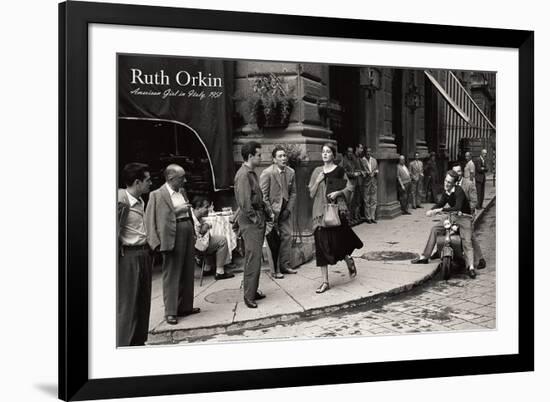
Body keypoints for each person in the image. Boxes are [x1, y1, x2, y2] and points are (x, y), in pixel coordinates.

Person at [145, 164, 200, 325]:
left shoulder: (182, 192)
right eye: (181, 177)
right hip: (171, 234)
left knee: (187, 270)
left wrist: (194, 230)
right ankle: (170, 311)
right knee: (172, 273)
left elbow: (188, 212)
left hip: (186, 230)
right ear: (171, 178)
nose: (185, 180)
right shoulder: (157, 195)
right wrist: (155, 243)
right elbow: (149, 220)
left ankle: (185, 306)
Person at [308, 143, 364, 294]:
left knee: (337, 243)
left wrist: (338, 193)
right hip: (320, 213)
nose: (325, 154)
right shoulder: (316, 171)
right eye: (323, 152)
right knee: (321, 247)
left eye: (328, 152)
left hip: (335, 212)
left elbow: (349, 188)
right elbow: (311, 193)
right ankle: (325, 282)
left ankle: (347, 258)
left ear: (333, 155)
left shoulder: (339, 171)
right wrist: (319, 180)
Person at [411, 169, 477, 279]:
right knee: (435, 229)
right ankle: (425, 256)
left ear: (454, 183)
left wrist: (440, 209)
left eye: (449, 182)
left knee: (467, 241)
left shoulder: (459, 191)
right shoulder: (446, 192)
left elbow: (457, 207)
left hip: (464, 217)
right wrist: (432, 210)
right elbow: (440, 203)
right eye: (446, 181)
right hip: (452, 216)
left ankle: (470, 267)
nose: (446, 184)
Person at [117, 163, 153, 346]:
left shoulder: (140, 201)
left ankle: (139, 341)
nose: (151, 183)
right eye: (148, 180)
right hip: (129, 256)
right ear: (137, 182)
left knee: (143, 302)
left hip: (143, 253)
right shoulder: (120, 201)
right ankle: (124, 344)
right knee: (128, 304)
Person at [234, 141, 272, 308]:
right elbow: (244, 202)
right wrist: (255, 219)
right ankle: (249, 295)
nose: (260, 157)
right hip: (251, 221)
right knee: (252, 258)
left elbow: (257, 197)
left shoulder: (250, 173)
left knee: (255, 258)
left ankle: (253, 290)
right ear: (250, 156)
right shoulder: (243, 175)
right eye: (258, 154)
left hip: (256, 217)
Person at [260, 145, 298, 279]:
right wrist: (269, 213)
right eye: (280, 156)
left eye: (284, 156)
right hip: (272, 211)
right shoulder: (267, 173)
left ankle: (285, 265)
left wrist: (288, 209)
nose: (283, 158)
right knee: (272, 240)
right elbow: (263, 196)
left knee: (286, 236)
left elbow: (293, 193)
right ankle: (274, 270)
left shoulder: (291, 172)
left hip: (285, 210)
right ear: (274, 160)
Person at [452, 164, 487, 270]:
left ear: (462, 172)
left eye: (458, 171)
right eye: (454, 172)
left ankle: (480, 259)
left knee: (470, 235)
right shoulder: (452, 184)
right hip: (456, 214)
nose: (456, 174)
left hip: (467, 214)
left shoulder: (469, 184)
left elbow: (474, 202)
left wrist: (464, 211)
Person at [191, 198, 235, 280]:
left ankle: (208, 267)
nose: (209, 209)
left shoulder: (196, 216)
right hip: (196, 248)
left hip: (196, 245)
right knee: (222, 240)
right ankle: (220, 272)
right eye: (206, 207)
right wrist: (203, 230)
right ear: (197, 208)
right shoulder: (192, 219)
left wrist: (206, 226)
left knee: (211, 237)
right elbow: (197, 238)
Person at [340, 146, 363, 223]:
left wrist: (358, 172)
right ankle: (348, 219)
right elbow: (344, 172)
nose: (350, 153)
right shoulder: (344, 160)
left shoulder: (353, 159)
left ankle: (352, 218)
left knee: (354, 201)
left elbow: (356, 167)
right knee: (348, 201)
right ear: (346, 152)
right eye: (349, 152)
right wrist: (353, 174)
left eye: (351, 152)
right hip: (348, 183)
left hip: (355, 182)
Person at [361, 147, 379, 223]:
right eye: (367, 152)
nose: (368, 153)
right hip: (366, 182)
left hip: (374, 182)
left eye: (369, 151)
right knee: (367, 200)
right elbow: (361, 171)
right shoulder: (362, 160)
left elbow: (377, 169)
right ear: (365, 152)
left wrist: (375, 172)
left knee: (374, 200)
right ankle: (368, 217)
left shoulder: (374, 160)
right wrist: (366, 173)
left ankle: (372, 217)